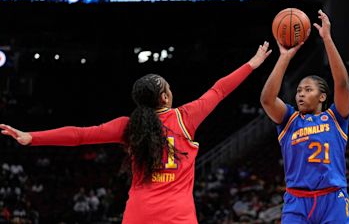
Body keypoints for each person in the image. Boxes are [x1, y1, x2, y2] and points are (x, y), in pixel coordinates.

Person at [0, 41, 272, 224]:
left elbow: (79, 134)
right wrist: (253, 63)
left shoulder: (128, 126)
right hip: (178, 215)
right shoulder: (185, 117)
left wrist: (32, 137)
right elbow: (219, 89)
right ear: (165, 96)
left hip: (138, 213)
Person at [260, 10, 349, 223]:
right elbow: (267, 99)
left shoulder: (336, 118)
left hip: (333, 198)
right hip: (297, 201)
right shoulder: (289, 120)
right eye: (299, 90)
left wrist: (327, 39)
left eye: (308, 90)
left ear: (322, 96)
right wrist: (284, 56)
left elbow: (342, 84)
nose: (301, 93)